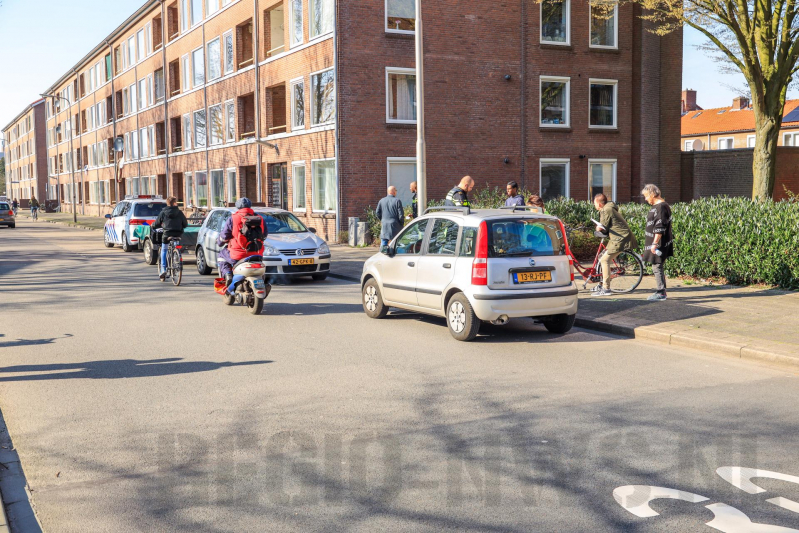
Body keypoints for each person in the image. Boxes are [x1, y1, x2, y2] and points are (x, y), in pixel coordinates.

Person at [592, 193, 638, 297]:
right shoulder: (609, 208)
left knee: (604, 260)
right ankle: (601, 284)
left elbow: (603, 227)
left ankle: (606, 289)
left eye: (594, 203)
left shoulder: (606, 210)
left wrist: (598, 228)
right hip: (618, 238)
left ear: (598, 203)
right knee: (601, 257)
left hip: (620, 239)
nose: (594, 205)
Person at [217, 198, 266, 286]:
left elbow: (224, 236)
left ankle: (228, 275)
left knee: (221, 256)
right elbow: (264, 235)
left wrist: (219, 241)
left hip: (238, 255)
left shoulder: (233, 218)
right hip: (257, 254)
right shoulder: (260, 218)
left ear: (238, 207)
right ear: (250, 206)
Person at [641, 184, 674, 301]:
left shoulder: (661, 207)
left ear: (652, 194)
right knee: (657, 266)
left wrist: (654, 243)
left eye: (646, 196)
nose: (646, 199)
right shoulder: (660, 206)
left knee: (657, 265)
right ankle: (661, 291)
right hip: (657, 242)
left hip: (659, 243)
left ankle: (661, 292)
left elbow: (660, 227)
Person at [151, 196, 188, 280]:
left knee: (164, 249)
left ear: (167, 203)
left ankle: (163, 269)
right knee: (176, 245)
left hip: (167, 234)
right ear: (174, 203)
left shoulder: (163, 212)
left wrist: (153, 225)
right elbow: (185, 224)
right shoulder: (179, 212)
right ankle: (176, 258)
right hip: (178, 234)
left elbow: (157, 223)